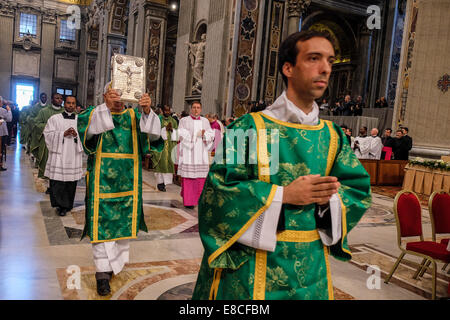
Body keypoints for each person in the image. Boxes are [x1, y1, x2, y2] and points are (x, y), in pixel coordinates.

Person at [192, 30, 371, 300]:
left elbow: (357, 190)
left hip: (311, 269)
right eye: (314, 58)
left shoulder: (333, 136)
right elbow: (218, 194)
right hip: (253, 267)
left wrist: (328, 200)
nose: (325, 69)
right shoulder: (250, 128)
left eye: (330, 61)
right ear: (288, 68)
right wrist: (284, 195)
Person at [77, 82, 162, 296]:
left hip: (129, 181)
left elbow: (153, 137)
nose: (117, 98)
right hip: (101, 180)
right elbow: (86, 133)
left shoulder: (134, 117)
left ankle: (115, 264)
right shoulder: (95, 113)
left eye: (121, 94)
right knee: (101, 223)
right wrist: (104, 107)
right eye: (113, 93)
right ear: (105, 94)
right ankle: (102, 273)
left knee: (123, 225)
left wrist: (147, 111)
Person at [43, 96, 84, 216]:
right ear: (64, 104)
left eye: (73, 103)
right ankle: (60, 206)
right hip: (59, 154)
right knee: (58, 181)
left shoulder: (80, 120)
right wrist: (62, 134)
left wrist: (76, 135)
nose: (71, 105)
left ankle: (68, 205)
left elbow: (85, 137)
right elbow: (47, 134)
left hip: (73, 154)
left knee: (71, 182)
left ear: (75, 105)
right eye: (68, 103)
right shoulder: (54, 118)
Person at [177, 101, 214, 209]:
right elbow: (181, 133)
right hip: (189, 153)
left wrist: (204, 135)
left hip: (201, 153)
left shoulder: (205, 121)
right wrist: (194, 135)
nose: (196, 109)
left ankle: (199, 199)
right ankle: (189, 201)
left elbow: (211, 134)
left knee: (200, 178)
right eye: (194, 107)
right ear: (190, 109)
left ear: (201, 109)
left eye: (198, 108)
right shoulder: (184, 120)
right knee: (189, 178)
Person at [30, 93, 65, 183]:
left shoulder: (65, 112)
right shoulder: (44, 111)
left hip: (62, 141)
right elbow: (37, 123)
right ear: (52, 100)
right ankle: (49, 184)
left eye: (61, 98)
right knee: (47, 161)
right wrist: (49, 127)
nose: (59, 100)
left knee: (60, 163)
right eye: (57, 98)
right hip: (47, 141)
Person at [151, 105, 178, 192]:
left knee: (168, 164)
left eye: (168, 110)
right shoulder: (158, 120)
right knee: (161, 164)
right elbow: (154, 132)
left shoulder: (174, 121)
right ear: (162, 111)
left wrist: (172, 130)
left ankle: (164, 183)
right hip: (161, 147)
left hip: (170, 146)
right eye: (165, 110)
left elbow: (177, 134)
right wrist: (164, 129)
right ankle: (160, 183)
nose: (167, 112)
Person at [0, 97, 12, 171]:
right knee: (1, 148)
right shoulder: (3, 110)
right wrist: (9, 110)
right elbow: (9, 119)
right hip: (2, 131)